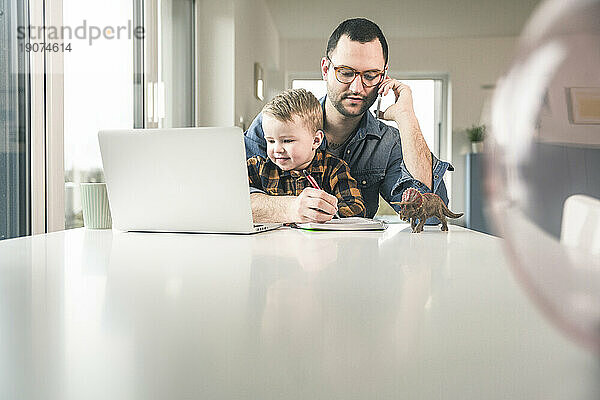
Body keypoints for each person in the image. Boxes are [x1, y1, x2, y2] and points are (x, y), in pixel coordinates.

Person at [245, 17, 452, 223]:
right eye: (345, 72)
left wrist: (407, 118)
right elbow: (226, 197)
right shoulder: (275, 124)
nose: (356, 88)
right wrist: (292, 208)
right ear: (325, 69)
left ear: (383, 76)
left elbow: (431, 218)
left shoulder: (387, 143)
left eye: (370, 75)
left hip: (358, 254)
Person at [246, 88, 366, 219]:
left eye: (287, 141)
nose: (277, 149)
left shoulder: (334, 168)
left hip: (320, 239)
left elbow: (356, 210)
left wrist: (323, 211)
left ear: (316, 140)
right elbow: (229, 197)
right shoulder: (257, 167)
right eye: (270, 141)